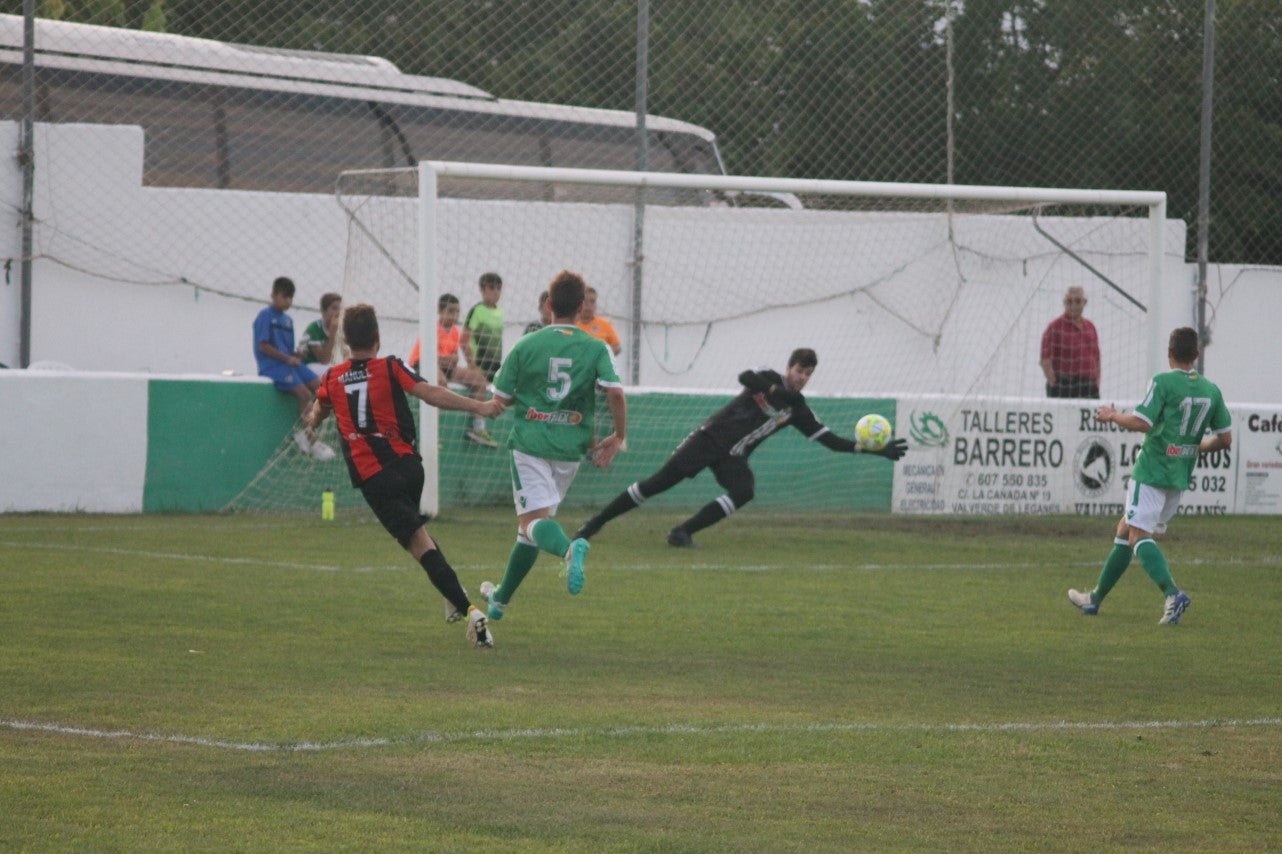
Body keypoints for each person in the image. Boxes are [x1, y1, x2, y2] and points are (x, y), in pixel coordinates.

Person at [305, 303, 504, 649]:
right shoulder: (391, 366)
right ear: (378, 338)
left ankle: (472, 613)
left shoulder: (332, 378)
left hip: (376, 479)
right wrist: (479, 406)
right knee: (420, 533)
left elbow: (320, 407)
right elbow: (431, 393)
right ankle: (453, 595)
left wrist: (313, 422)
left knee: (418, 545)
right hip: (411, 468)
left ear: (346, 341)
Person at [573, 348, 908, 548]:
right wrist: (777, 389)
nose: (802, 377)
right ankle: (595, 523)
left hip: (734, 456)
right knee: (657, 484)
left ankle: (682, 532)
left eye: (808, 373)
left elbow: (831, 442)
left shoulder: (799, 409)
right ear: (788, 367)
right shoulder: (769, 378)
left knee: (744, 490)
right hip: (708, 439)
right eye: (799, 370)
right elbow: (746, 376)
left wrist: (875, 451)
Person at [475, 270, 627, 627]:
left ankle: (569, 549)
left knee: (533, 524)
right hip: (570, 450)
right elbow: (615, 393)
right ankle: (500, 600)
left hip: (530, 445)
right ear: (580, 308)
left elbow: (501, 398)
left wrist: (487, 407)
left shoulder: (527, 344)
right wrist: (618, 437)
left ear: (548, 305)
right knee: (528, 531)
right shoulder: (595, 346)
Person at [1068, 327, 1231, 625]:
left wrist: (1112, 416)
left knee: (1137, 535)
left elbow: (1141, 422)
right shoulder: (1212, 390)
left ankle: (1173, 593)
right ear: (1196, 355)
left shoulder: (1162, 382)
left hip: (1152, 470)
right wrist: (1197, 447)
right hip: (1178, 476)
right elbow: (1225, 439)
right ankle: (1094, 599)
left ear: (1169, 354)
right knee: (1124, 529)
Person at [252, 276, 333, 459]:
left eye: (291, 298)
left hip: (289, 364)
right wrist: (287, 359)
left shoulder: (288, 320)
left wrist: (297, 355)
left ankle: (310, 429)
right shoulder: (265, 316)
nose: (288, 301)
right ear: (273, 295)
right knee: (304, 394)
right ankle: (309, 436)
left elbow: (287, 350)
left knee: (319, 385)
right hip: (273, 366)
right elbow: (263, 346)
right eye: (284, 296)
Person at [409, 294, 499, 448]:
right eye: (451, 311)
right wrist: (444, 359)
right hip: (421, 364)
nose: (455, 315)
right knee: (440, 382)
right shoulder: (432, 329)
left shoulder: (455, 331)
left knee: (478, 380)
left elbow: (454, 358)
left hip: (444, 367)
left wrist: (448, 359)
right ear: (440, 311)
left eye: (457, 312)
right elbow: (428, 356)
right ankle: (431, 434)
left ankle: (478, 428)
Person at [1040, 285, 1100, 398]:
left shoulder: (1090, 327)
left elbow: (1096, 358)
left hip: (1088, 386)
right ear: (1064, 303)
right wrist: (1054, 384)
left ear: (1084, 302)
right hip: (1064, 385)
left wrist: (1096, 384)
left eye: (1077, 301)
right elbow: (1045, 359)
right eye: (1069, 301)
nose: (1073, 305)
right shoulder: (1055, 327)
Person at [460, 271, 505, 381]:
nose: (496, 292)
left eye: (499, 288)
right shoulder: (477, 311)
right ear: (482, 289)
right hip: (480, 366)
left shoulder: (500, 311)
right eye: (491, 288)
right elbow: (463, 341)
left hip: (495, 366)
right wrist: (473, 367)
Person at [297, 292, 342, 367]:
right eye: (334, 308)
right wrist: (332, 334)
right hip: (308, 365)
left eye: (340, 309)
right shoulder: (314, 328)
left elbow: (347, 354)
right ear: (323, 311)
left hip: (326, 366)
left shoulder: (340, 329)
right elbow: (324, 360)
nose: (338, 312)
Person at [576, 285, 622, 356]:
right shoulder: (572, 324)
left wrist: (602, 355)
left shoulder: (605, 324)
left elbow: (617, 347)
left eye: (592, 301)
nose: (588, 305)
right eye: (585, 301)